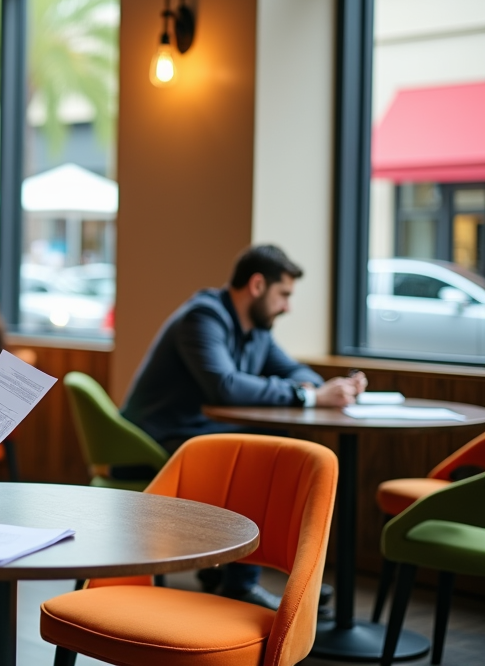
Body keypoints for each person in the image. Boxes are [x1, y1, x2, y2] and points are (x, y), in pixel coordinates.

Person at [120, 244, 367, 609]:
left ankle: (228, 571)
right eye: (283, 294)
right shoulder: (203, 317)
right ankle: (239, 582)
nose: (287, 306)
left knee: (264, 449)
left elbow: (294, 371)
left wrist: (330, 389)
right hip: (155, 443)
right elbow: (224, 385)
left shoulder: (256, 331)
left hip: (193, 437)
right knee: (264, 454)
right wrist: (310, 398)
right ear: (256, 285)